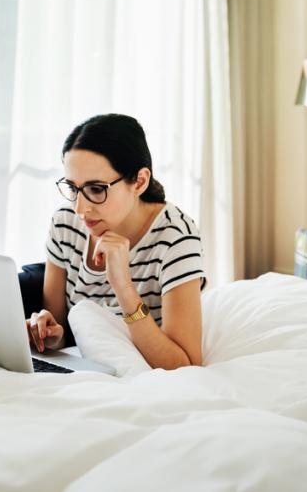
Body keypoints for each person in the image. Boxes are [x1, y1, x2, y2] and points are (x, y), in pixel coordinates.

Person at [26, 114, 205, 370]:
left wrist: (123, 286)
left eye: (96, 189)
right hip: (87, 370)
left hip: (141, 376)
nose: (80, 208)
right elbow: (63, 332)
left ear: (140, 182)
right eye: (73, 188)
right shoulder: (65, 223)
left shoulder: (177, 238)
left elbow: (186, 365)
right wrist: (50, 334)